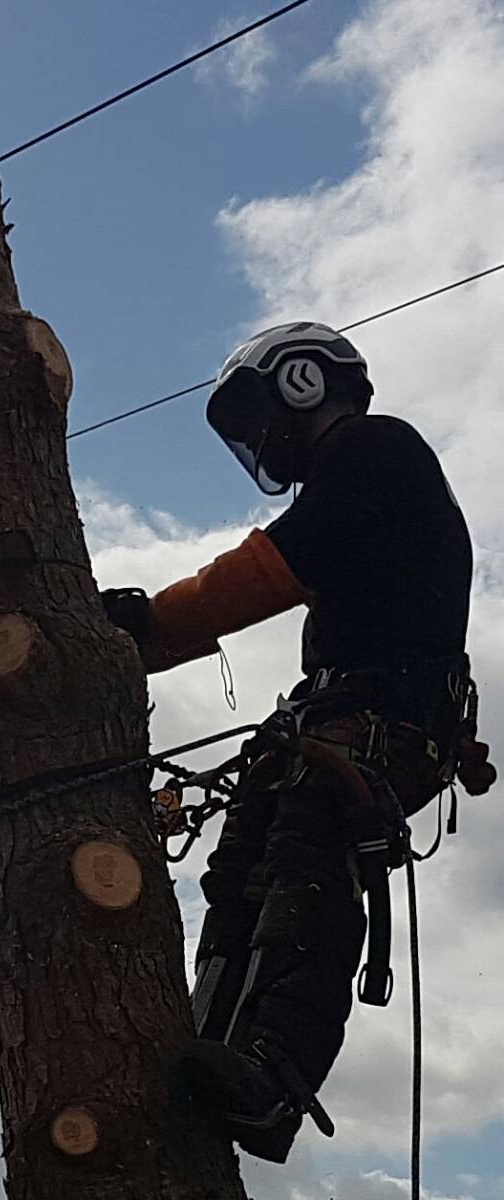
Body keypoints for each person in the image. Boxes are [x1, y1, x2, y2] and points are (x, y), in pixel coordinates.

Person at [102, 322, 493, 1162]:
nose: (260, 438)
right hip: (339, 714)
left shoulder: (374, 450)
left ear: (306, 383)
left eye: (260, 413)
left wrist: (149, 624)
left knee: (309, 852)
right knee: (241, 860)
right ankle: (212, 1029)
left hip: (387, 717)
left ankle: (274, 1076)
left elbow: (271, 569)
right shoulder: (363, 479)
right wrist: (135, 646)